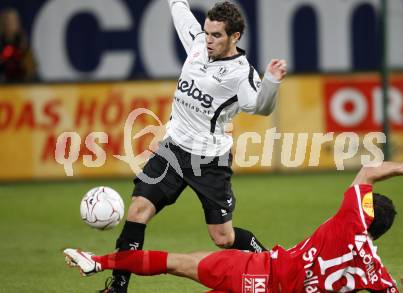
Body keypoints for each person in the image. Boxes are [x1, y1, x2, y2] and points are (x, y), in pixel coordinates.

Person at [102, 0, 287, 292]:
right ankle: (118, 286)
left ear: (235, 37)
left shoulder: (241, 73)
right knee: (138, 211)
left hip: (209, 161)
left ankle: (277, 267)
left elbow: (260, 107)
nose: (208, 40)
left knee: (223, 238)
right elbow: (179, 9)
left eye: (217, 35)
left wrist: (272, 83)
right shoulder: (198, 43)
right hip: (172, 151)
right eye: (207, 32)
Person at [65, 160, 403, 293]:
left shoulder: (350, 219)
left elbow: (370, 171)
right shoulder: (375, 271)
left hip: (259, 270)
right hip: (268, 287)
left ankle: (98, 262)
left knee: (175, 262)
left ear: (365, 216)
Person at [0, 7, 36, 82]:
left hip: (21, 84)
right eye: (7, 20)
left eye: (12, 21)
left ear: (17, 23)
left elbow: (31, 69)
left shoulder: (23, 42)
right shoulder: (1, 42)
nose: (9, 24)